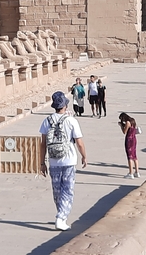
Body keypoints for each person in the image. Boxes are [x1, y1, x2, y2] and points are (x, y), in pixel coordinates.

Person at [40, 91, 87, 231]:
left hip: (53, 160)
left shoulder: (47, 120)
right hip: (69, 160)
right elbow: (79, 142)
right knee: (67, 190)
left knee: (57, 191)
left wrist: (42, 163)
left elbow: (42, 144)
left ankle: (62, 215)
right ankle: (60, 218)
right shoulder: (71, 121)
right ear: (65, 106)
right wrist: (84, 156)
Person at [118, 112, 140, 179]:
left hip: (129, 140)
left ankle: (131, 173)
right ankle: (137, 172)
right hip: (134, 139)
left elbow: (124, 132)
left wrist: (121, 125)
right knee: (134, 156)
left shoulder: (127, 122)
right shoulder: (133, 120)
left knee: (130, 157)